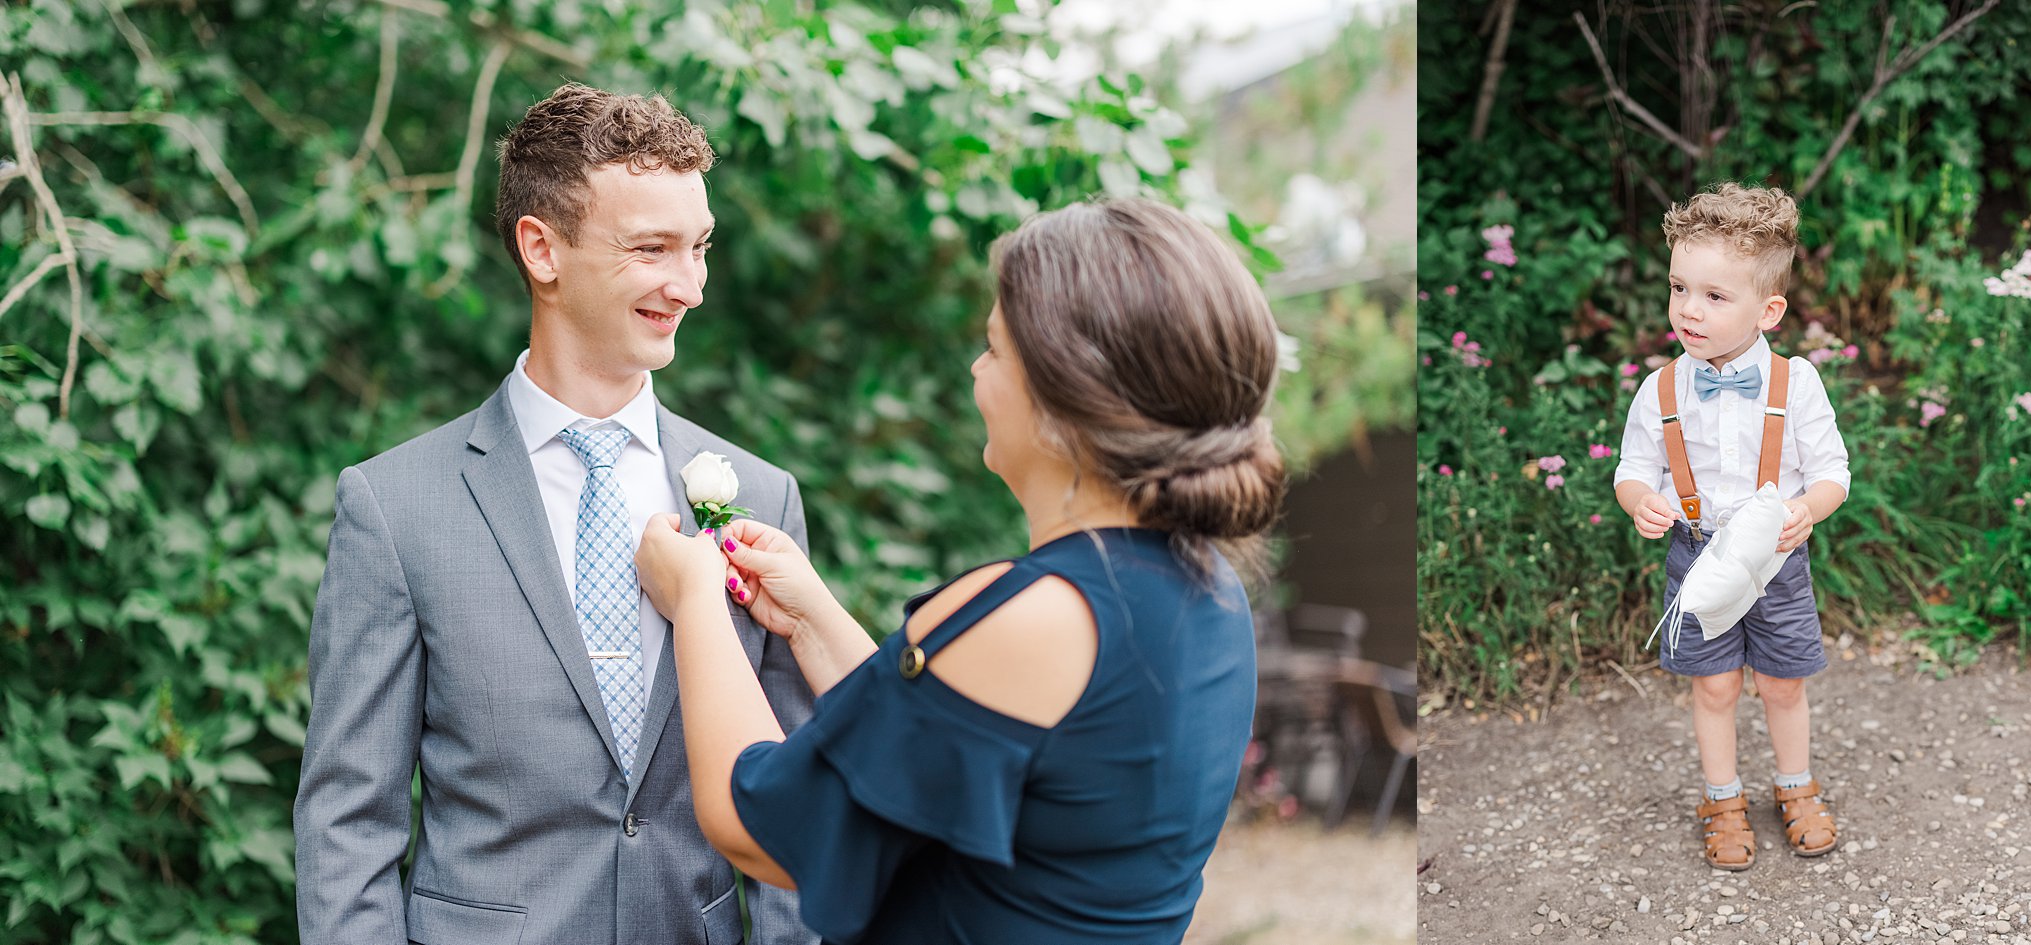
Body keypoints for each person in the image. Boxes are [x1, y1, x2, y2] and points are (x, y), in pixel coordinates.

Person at [633, 197, 1288, 943]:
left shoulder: (1041, 616)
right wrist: (812, 622)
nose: (977, 369)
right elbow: (936, 752)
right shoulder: (1206, 590)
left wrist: (696, 599)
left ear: (1064, 399)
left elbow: (762, 825)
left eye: (996, 349)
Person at [293, 84, 816, 945]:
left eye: (700, 247)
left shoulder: (761, 498)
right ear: (542, 249)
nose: (689, 286)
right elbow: (348, 824)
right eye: (652, 248)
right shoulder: (394, 508)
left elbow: (798, 808)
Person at [1613, 182, 1852, 871]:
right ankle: (1722, 798)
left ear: (1768, 310)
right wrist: (1639, 500)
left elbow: (1833, 471)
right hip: (1696, 556)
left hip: (1777, 560)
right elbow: (1634, 468)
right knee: (1714, 685)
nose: (1689, 308)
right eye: (1679, 288)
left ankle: (1795, 785)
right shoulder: (1661, 389)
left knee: (1782, 682)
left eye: (1715, 296)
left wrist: (1809, 508)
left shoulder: (1795, 383)